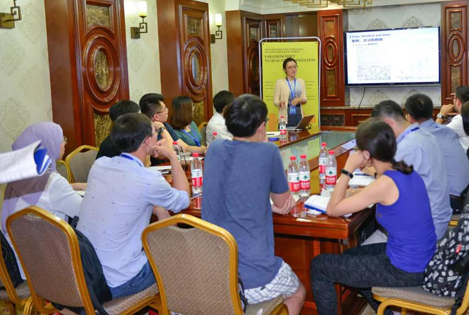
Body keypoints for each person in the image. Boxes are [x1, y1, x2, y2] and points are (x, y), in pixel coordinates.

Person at [310, 119, 436, 315]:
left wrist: (347, 169)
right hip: (421, 257)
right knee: (348, 258)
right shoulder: (406, 171)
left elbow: (333, 209)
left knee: (319, 266)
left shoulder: (384, 184)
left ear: (366, 154)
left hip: (405, 269)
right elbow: (381, 194)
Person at [202, 95, 305, 314]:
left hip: (213, 275)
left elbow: (233, 189)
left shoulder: (215, 148)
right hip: (253, 279)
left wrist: (263, 203)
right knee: (298, 291)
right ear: (261, 125)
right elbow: (284, 202)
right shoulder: (268, 152)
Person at [77, 113, 190, 298]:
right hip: (120, 281)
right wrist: (172, 155)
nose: (157, 137)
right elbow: (183, 200)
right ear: (147, 141)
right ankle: (178, 305)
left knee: (159, 216)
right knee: (181, 254)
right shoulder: (148, 179)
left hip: (86, 273)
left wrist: (157, 208)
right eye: (155, 134)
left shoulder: (99, 165)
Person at [2, 122, 84, 279]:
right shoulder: (54, 183)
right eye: (61, 139)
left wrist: (72, 186)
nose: (64, 144)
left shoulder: (19, 175)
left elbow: (43, 195)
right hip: (46, 266)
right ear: (48, 144)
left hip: (17, 260)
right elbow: (85, 212)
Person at [372, 100, 450, 240]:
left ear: (388, 123)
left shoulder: (408, 147)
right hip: (435, 218)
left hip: (423, 231)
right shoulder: (423, 134)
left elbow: (385, 189)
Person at [404, 94, 469, 204]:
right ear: (432, 113)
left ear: (409, 117)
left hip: (452, 200)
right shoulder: (446, 131)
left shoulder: (418, 138)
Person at [436, 86, 469, 151]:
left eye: (454, 98)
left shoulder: (460, 119)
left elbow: (435, 134)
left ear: (458, 102)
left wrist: (441, 114)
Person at [273, 58, 307, 128]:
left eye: (295, 67)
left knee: (300, 134)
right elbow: (275, 101)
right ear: (284, 69)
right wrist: (279, 103)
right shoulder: (280, 82)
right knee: (284, 135)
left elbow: (305, 99)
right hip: (285, 117)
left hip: (298, 115)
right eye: (290, 67)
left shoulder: (301, 81)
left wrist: (299, 100)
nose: (293, 69)